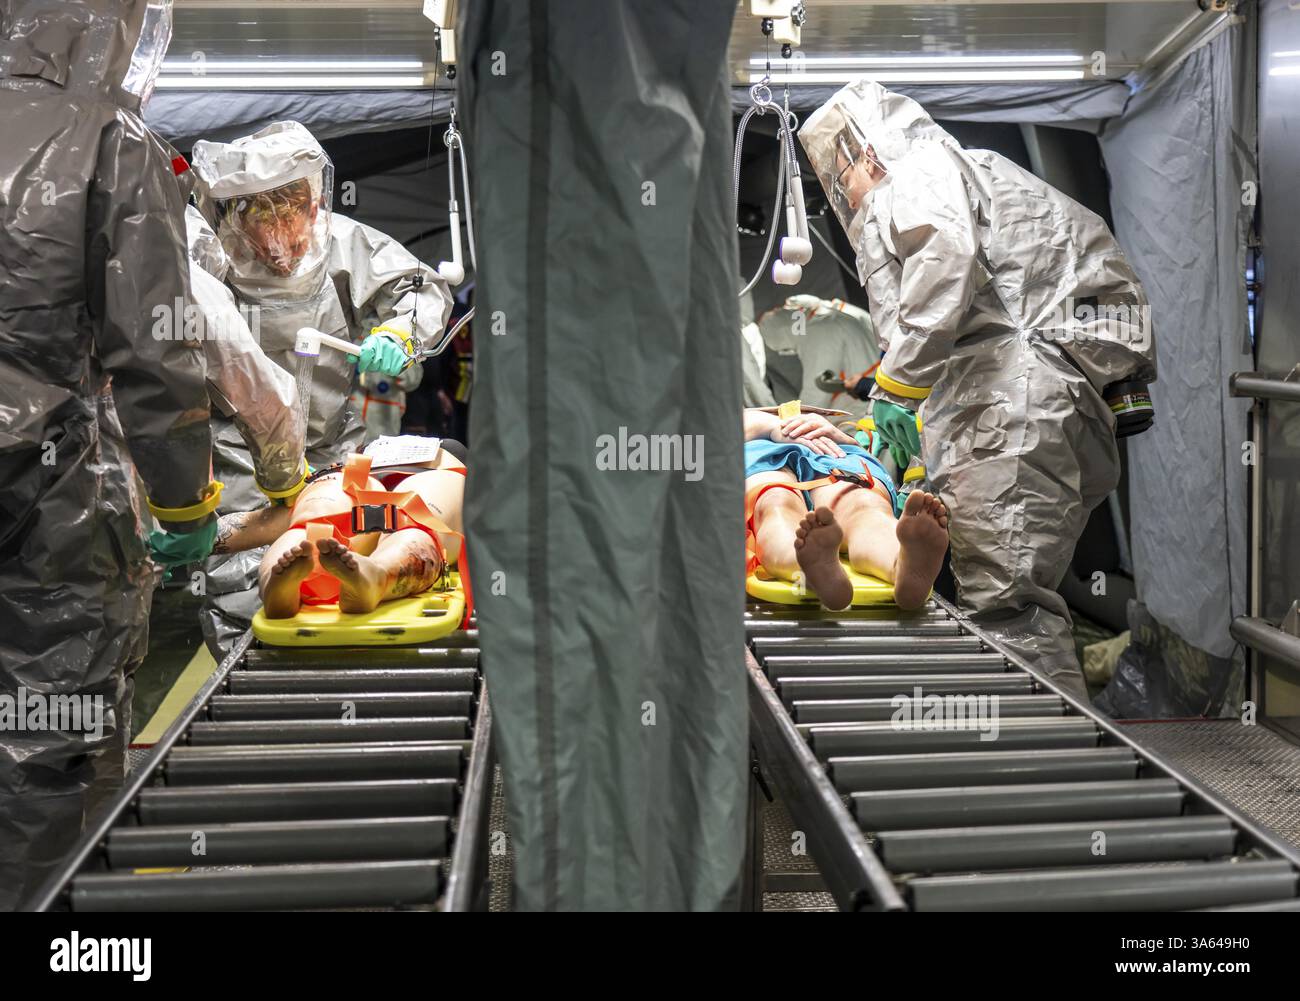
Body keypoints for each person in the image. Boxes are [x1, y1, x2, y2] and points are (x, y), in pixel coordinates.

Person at [799, 79, 1158, 700]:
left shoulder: (916, 174)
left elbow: (946, 263)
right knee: (1011, 590)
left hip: (1025, 395)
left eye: (839, 177)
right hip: (1036, 395)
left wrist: (897, 388)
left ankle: (1046, 767)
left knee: (1006, 600)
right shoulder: (968, 170)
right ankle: (1041, 755)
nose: (844, 197)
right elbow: (966, 330)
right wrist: (902, 421)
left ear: (863, 151)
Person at [0, 0, 217, 908]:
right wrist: (184, 509)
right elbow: (158, 354)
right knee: (54, 746)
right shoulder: (105, 137)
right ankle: (64, 941)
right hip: (48, 508)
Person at [185, 121, 455, 651]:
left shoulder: (342, 243)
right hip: (241, 455)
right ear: (233, 216)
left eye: (290, 218)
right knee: (246, 586)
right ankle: (257, 645)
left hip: (333, 447)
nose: (279, 245)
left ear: (313, 206)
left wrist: (401, 330)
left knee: (343, 534)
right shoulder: (205, 260)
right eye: (260, 221)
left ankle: (337, 592)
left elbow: (418, 289)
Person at [210, 438, 467, 617]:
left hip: (348, 477)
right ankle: (379, 575)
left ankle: (276, 585)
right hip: (436, 471)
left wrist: (185, 536)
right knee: (416, 524)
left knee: (310, 525)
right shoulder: (454, 460)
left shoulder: (347, 464)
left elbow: (258, 524)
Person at [745, 410, 948, 611]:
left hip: (830, 445)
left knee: (861, 502)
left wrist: (844, 439)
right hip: (756, 445)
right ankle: (813, 567)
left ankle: (901, 564)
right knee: (777, 501)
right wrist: (771, 426)